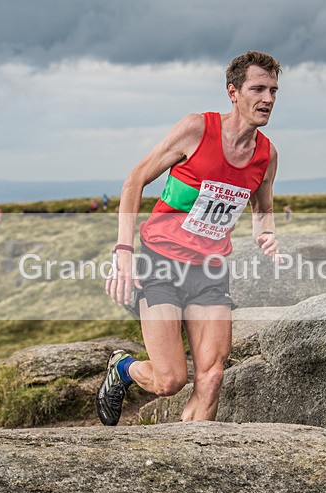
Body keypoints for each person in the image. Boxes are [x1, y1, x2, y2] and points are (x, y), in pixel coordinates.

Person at [98, 51, 281, 425]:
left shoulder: (267, 155)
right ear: (233, 92)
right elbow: (134, 180)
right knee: (170, 380)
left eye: (273, 91)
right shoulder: (197, 129)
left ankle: (190, 454)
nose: (268, 99)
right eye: (258, 89)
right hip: (161, 262)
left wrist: (266, 235)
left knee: (212, 377)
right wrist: (124, 252)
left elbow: (262, 210)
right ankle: (123, 368)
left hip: (209, 270)